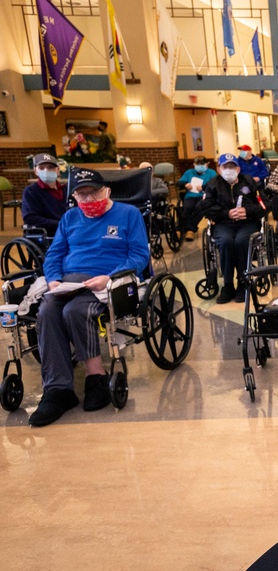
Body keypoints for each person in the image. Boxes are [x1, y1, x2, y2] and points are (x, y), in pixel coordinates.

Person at [29, 168, 150, 427]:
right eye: (80, 195)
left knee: (74, 311)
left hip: (107, 280)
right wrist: (53, 279)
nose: (86, 200)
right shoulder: (70, 217)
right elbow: (54, 253)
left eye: (92, 193)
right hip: (68, 280)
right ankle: (58, 390)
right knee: (48, 311)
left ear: (106, 191)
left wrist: (110, 277)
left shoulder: (129, 214)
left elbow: (140, 255)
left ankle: (96, 377)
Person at [199, 154, 270, 304]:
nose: (229, 170)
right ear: (219, 169)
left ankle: (243, 283)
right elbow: (205, 208)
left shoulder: (250, 182)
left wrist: (247, 211)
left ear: (238, 169)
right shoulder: (212, 185)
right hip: (223, 224)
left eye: (232, 167)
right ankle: (228, 285)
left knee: (242, 241)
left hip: (248, 223)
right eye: (226, 167)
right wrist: (226, 213)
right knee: (225, 242)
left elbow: (265, 205)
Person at [22, 153, 68, 236]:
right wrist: (60, 224)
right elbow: (31, 218)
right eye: (41, 168)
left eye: (50, 167)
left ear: (57, 170)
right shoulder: (31, 191)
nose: (46, 171)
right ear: (36, 171)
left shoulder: (66, 189)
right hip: (49, 233)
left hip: (70, 230)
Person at [176, 156, 216, 242]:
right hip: (190, 195)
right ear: (194, 164)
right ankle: (180, 228)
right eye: (198, 164)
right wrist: (185, 184)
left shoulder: (211, 173)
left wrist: (204, 187)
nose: (200, 166)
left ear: (207, 164)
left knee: (200, 207)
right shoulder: (189, 172)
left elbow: (215, 185)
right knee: (187, 208)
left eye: (202, 164)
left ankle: (190, 229)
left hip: (204, 196)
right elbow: (179, 182)